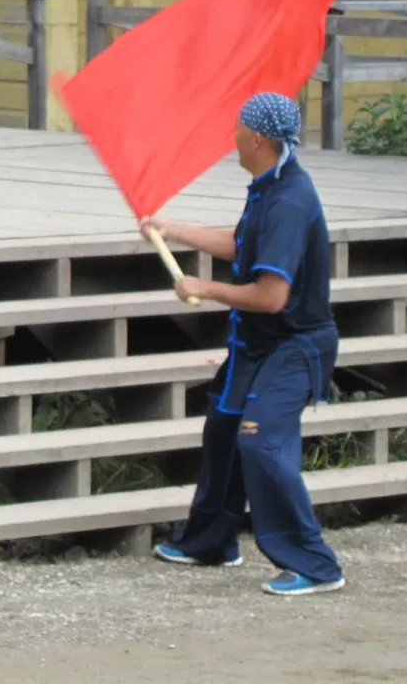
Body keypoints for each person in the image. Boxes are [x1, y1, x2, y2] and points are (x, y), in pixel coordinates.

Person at [140, 92, 345, 597]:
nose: (230, 135)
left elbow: (272, 297)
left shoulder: (291, 201)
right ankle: (210, 541)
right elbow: (242, 242)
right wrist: (175, 229)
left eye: (235, 128)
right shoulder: (269, 187)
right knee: (224, 430)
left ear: (256, 138)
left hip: (295, 346)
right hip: (256, 343)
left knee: (261, 441)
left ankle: (316, 564)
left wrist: (203, 288)